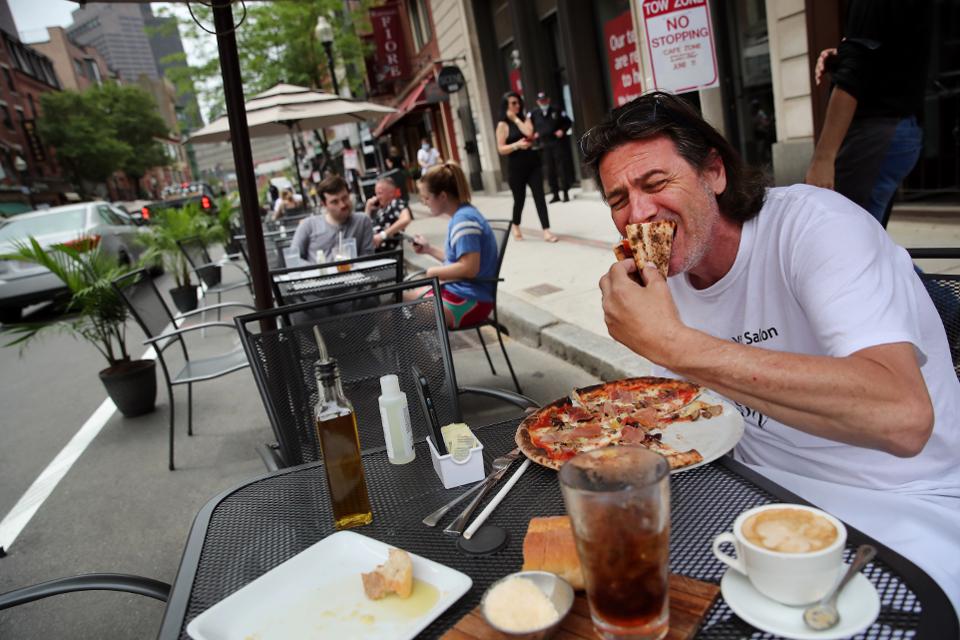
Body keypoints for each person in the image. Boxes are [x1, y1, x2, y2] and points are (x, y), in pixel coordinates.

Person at [584, 91, 960, 616]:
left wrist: (675, 344)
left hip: (901, 512)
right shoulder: (663, 284)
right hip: (751, 500)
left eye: (655, 183)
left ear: (714, 172)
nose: (638, 213)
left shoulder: (816, 227)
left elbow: (903, 416)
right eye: (618, 198)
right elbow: (687, 420)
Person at [804, 0, 932, 228]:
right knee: (868, 239)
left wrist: (823, 158)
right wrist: (843, 55)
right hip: (897, 129)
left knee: (844, 236)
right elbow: (892, 51)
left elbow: (855, 72)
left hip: (877, 132)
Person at [405, 162, 498, 330]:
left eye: (427, 198)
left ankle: (428, 358)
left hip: (470, 300)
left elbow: (469, 268)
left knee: (395, 315)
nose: (425, 203)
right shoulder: (462, 215)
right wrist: (429, 249)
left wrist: (433, 272)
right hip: (462, 294)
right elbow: (459, 262)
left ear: (442, 196)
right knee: (397, 303)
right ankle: (430, 358)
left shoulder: (464, 221)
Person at [496, 91, 558, 243]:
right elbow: (501, 148)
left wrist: (516, 119)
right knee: (519, 200)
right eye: (513, 103)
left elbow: (529, 132)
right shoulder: (502, 125)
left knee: (540, 197)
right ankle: (516, 225)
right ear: (506, 106)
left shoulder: (525, 119)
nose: (517, 105)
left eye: (518, 102)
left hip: (532, 164)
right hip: (516, 168)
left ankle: (546, 230)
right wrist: (517, 145)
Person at [291, 174, 374, 263]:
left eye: (345, 198)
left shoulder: (363, 221)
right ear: (324, 204)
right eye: (335, 202)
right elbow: (293, 259)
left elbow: (368, 257)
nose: (342, 205)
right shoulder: (308, 225)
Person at [530, 91, 573, 203]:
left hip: (556, 142)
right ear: (537, 102)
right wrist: (534, 133)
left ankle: (565, 192)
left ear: (548, 100)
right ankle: (555, 194)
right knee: (550, 170)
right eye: (540, 101)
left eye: (544, 100)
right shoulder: (534, 114)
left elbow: (568, 122)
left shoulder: (556, 110)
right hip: (544, 144)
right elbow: (529, 126)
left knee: (561, 168)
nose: (543, 102)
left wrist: (562, 130)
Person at [365, 175, 413, 252]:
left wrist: (382, 235)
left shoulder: (395, 203)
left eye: (380, 193)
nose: (377, 197)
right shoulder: (379, 209)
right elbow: (364, 226)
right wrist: (368, 209)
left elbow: (406, 219)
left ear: (391, 193)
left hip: (386, 252)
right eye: (376, 194)